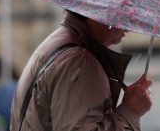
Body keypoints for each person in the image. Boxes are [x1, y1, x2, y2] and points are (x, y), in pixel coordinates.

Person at [10, 10, 152, 131]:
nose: (129, 26)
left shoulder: (61, 43)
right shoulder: (79, 61)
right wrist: (130, 111)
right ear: (98, 10)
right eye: (123, 11)